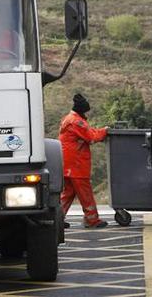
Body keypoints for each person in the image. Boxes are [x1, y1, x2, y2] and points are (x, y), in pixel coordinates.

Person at [59, 93, 109, 228]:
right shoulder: (77, 122)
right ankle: (92, 220)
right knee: (85, 193)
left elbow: (88, 132)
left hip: (67, 163)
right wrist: (105, 131)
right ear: (82, 110)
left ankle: (57, 219)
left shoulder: (69, 119)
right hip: (77, 164)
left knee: (67, 193)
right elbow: (91, 137)